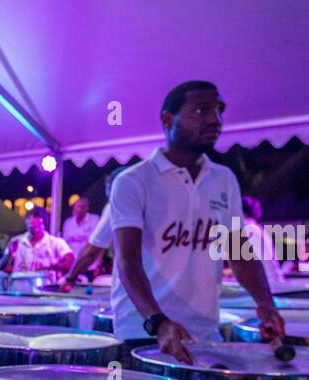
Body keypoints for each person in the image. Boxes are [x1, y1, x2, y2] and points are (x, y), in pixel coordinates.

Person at [111, 80, 284, 363]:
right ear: (168, 120)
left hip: (203, 331)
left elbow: (239, 253)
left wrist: (265, 303)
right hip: (143, 330)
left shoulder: (224, 179)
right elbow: (128, 260)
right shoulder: (133, 181)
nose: (214, 120)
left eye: (218, 110)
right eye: (201, 110)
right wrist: (157, 321)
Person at [63, 166, 126, 286]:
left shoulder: (115, 205)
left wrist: (69, 279)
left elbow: (93, 250)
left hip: (128, 283)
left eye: (106, 186)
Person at [2, 205, 74, 276]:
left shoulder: (55, 242)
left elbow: (70, 261)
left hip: (45, 286)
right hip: (18, 286)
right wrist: (9, 255)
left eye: (36, 217)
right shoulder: (16, 241)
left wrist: (52, 267)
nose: (31, 220)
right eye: (28, 217)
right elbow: (1, 266)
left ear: (43, 222)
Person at [239, 195, 287, 290]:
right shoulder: (257, 228)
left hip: (266, 286)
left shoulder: (246, 229)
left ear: (243, 212)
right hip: (274, 282)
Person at [60, 195, 100, 261]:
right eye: (76, 207)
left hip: (90, 261)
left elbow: (96, 240)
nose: (78, 209)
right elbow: (65, 242)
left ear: (86, 208)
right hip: (72, 261)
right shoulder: (68, 223)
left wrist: (75, 238)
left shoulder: (94, 219)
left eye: (81, 207)